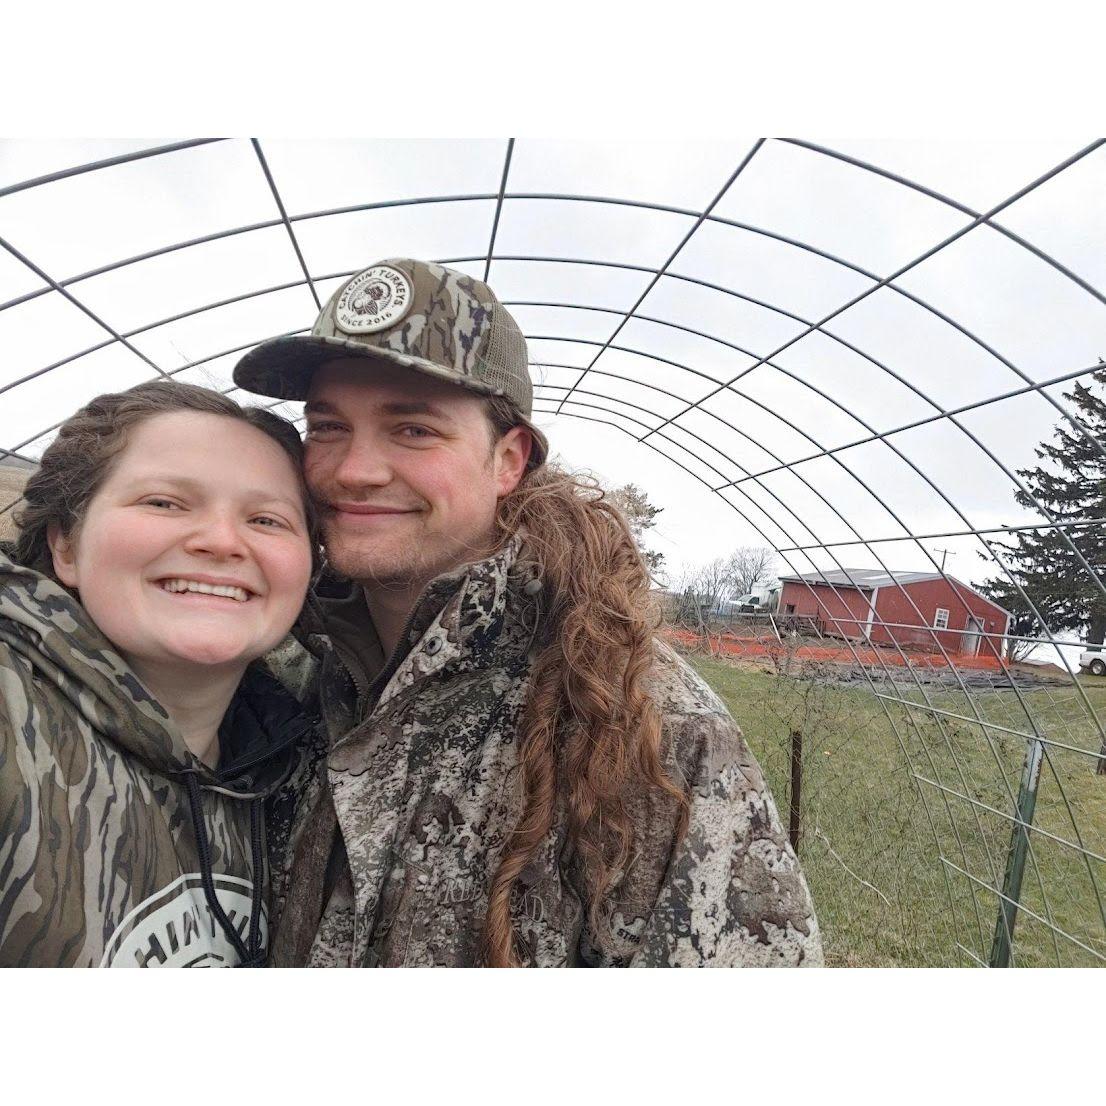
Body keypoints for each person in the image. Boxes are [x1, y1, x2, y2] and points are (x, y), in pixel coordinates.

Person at [239, 258, 823, 967]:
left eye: (414, 430)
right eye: (328, 427)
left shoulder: (639, 725)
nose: (354, 470)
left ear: (508, 460)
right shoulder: (268, 674)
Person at [0, 382, 317, 967]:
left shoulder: (298, 765)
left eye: (267, 519)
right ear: (65, 544)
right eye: (164, 503)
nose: (222, 541)